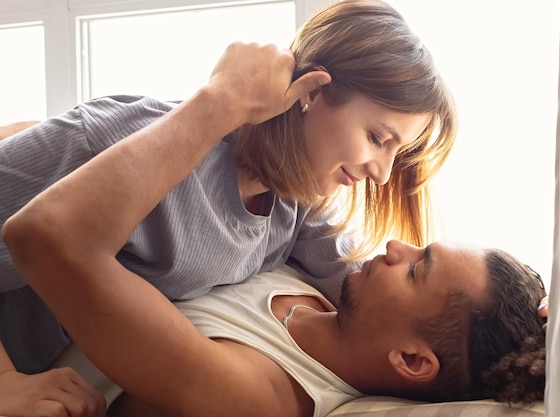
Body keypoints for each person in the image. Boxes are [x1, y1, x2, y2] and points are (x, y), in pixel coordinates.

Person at [0, 0, 457, 414]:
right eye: (377, 138)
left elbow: (380, 297)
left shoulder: (297, 206)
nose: (380, 173)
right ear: (312, 92)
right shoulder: (117, 138)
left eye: (396, 152)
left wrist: (522, 329)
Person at [10, 233, 548, 416]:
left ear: (412, 360)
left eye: (414, 268)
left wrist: (220, 101)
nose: (392, 247)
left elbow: (48, 241)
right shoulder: (323, 287)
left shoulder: (256, 393)